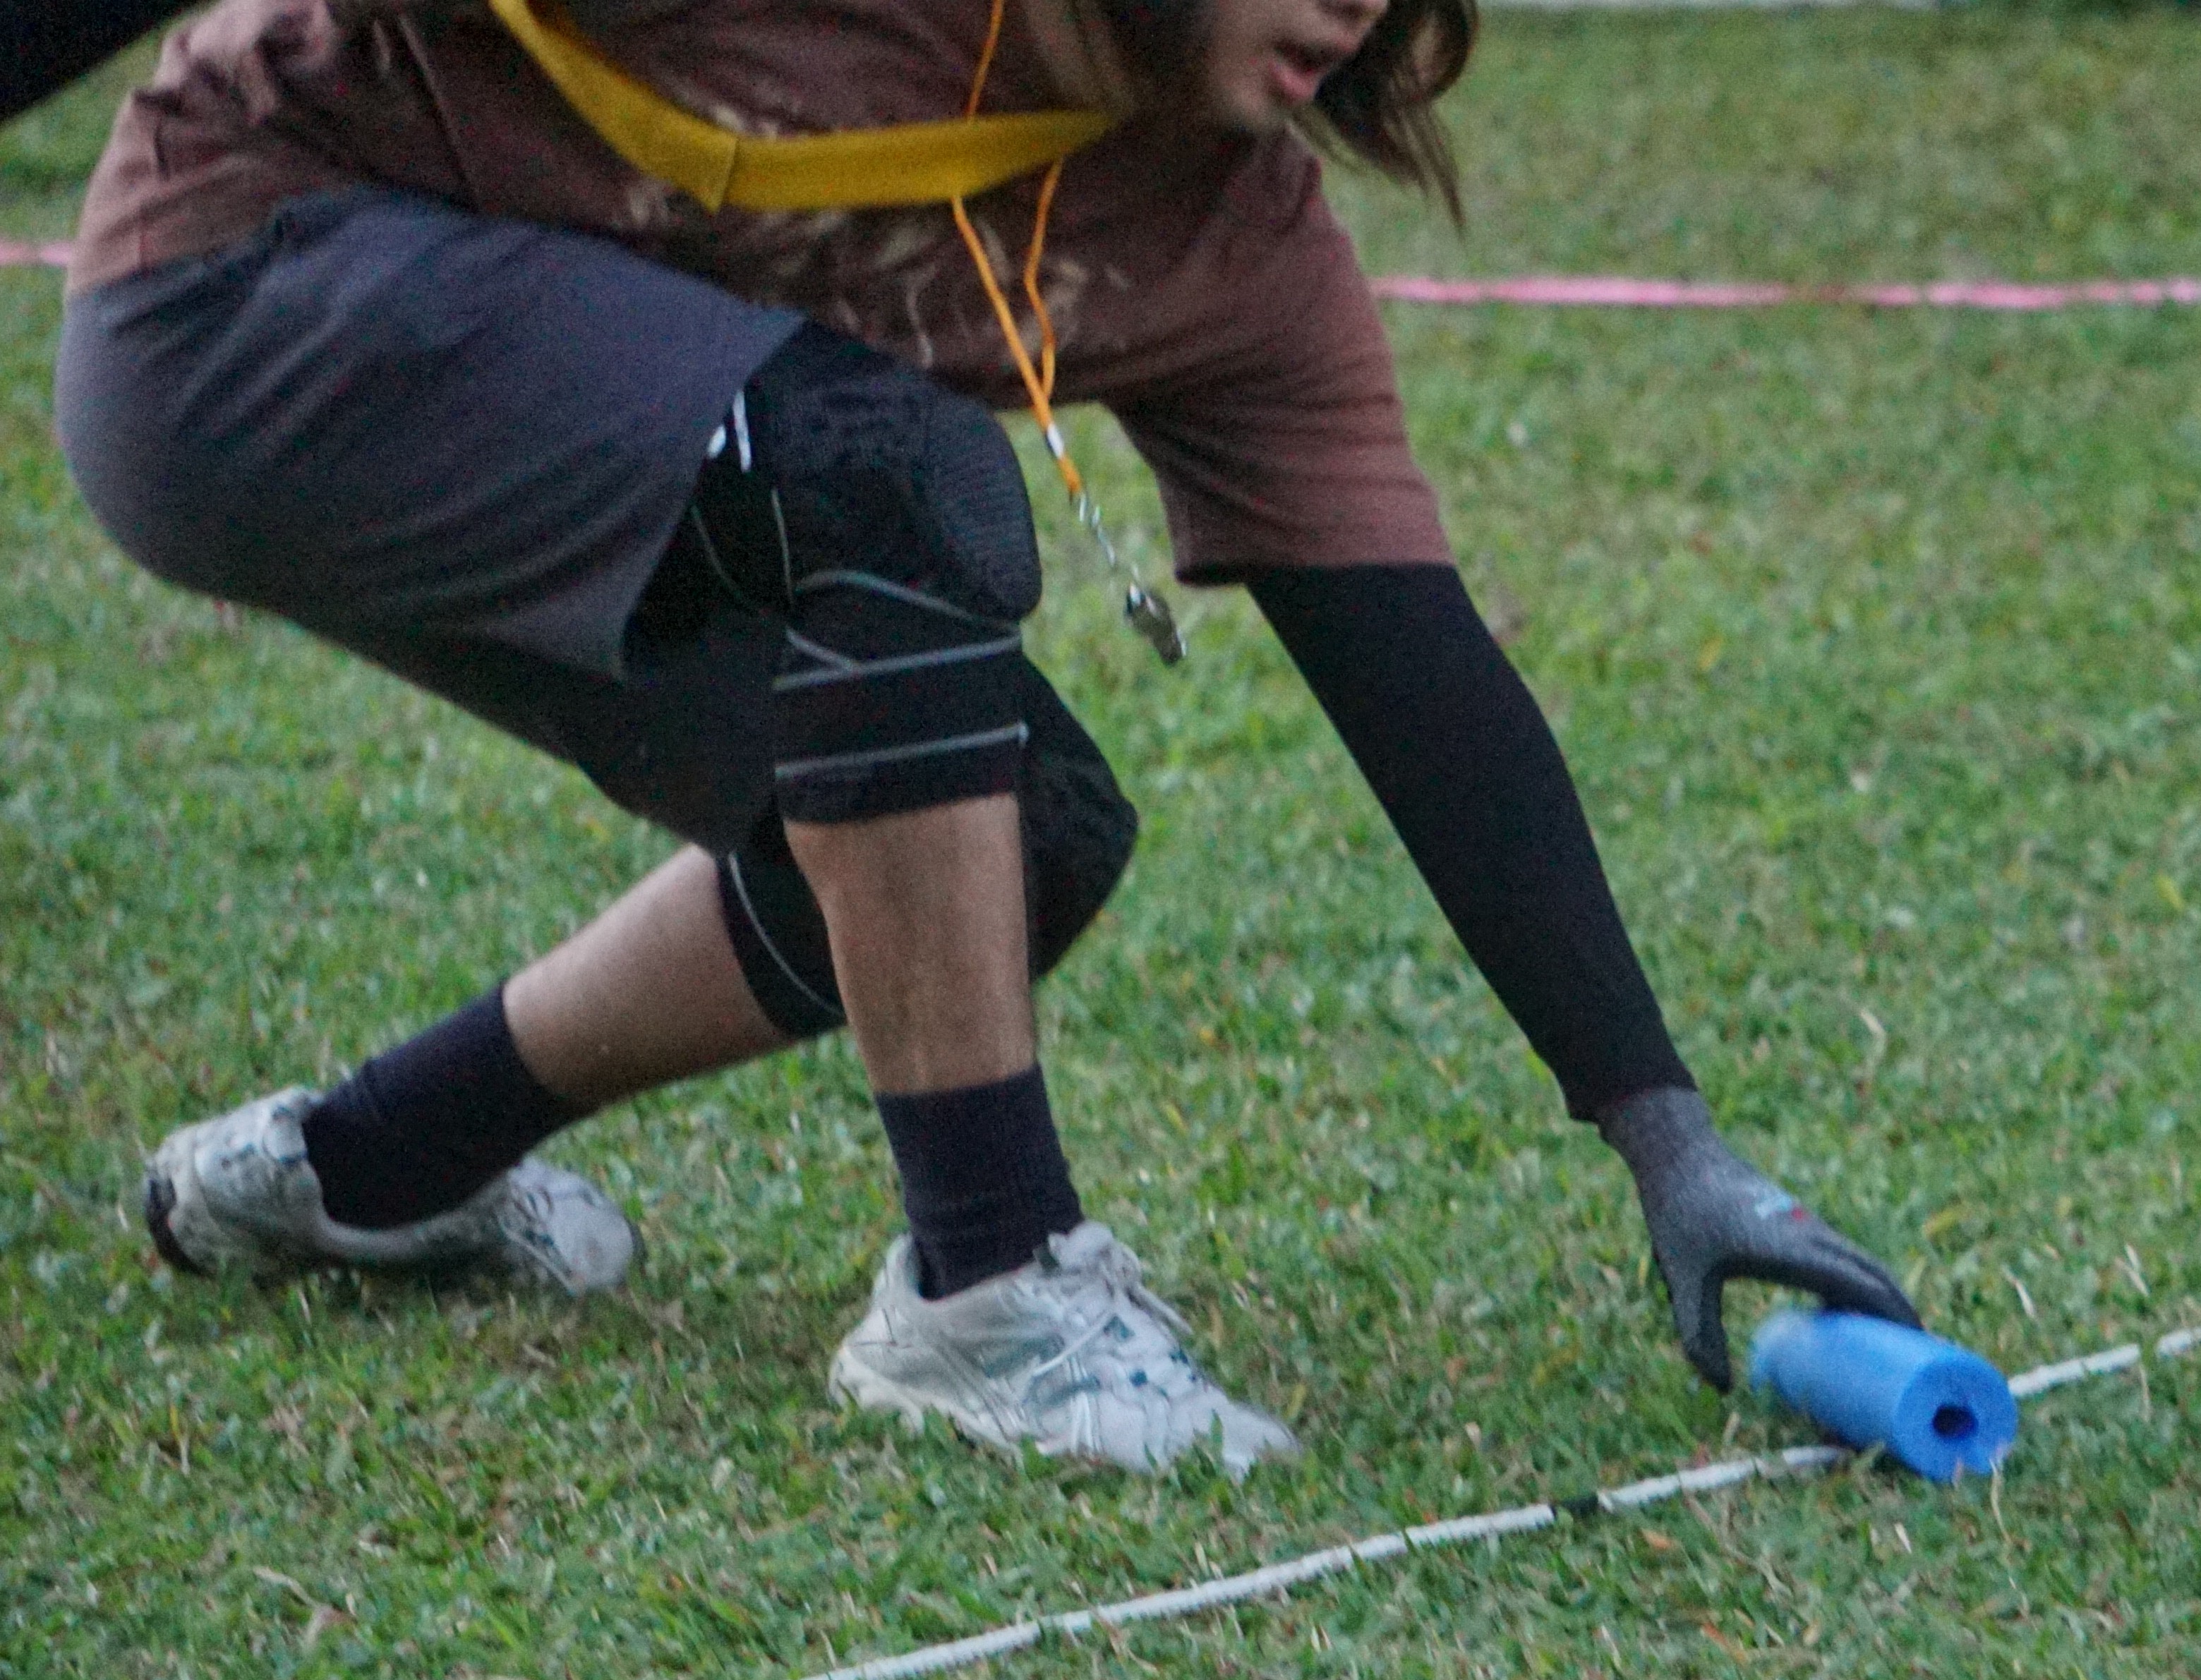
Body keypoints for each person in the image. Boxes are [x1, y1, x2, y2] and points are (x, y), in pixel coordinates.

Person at [48, 0, 1922, 1475]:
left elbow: (1423, 682)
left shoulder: (1233, 233)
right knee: (890, 472)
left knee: (1011, 832)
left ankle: (365, 1170)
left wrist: (1674, 1152)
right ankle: (991, 1285)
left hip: (559, 452)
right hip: (238, 305)